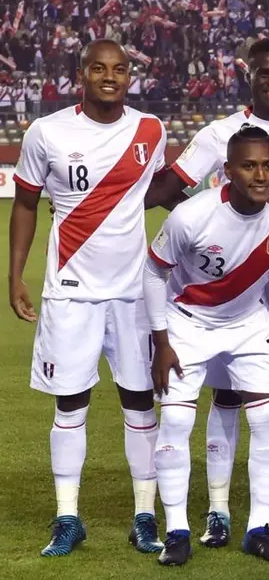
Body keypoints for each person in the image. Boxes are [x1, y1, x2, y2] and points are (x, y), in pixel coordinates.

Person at [146, 37, 269, 547]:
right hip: (225, 292)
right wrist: (221, 236)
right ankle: (215, 511)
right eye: (265, 74)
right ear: (248, 76)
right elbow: (172, 190)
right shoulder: (219, 135)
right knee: (226, 399)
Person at [8, 39, 167, 557]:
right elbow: (26, 204)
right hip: (70, 291)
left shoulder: (151, 130)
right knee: (70, 400)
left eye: (119, 70)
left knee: (140, 401)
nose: (109, 77)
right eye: (99, 68)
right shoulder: (48, 132)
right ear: (82, 74)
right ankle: (67, 517)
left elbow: (163, 195)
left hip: (133, 293)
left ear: (129, 77)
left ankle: (144, 516)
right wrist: (15, 276)